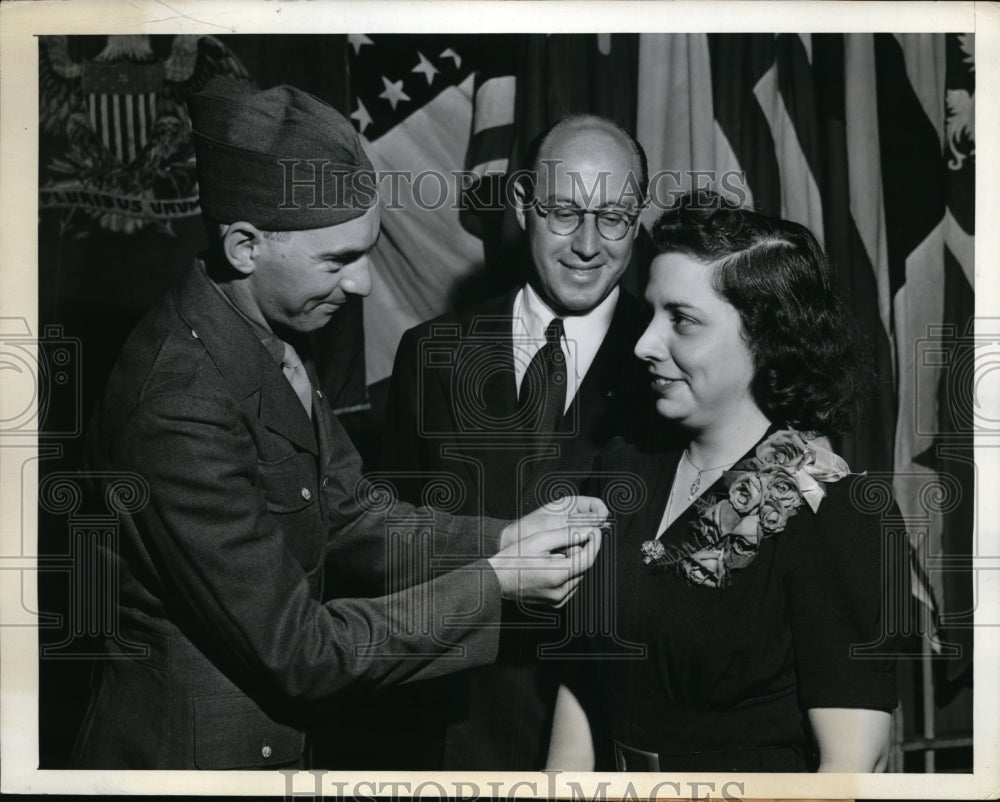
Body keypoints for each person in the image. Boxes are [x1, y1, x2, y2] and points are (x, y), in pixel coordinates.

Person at [69, 78, 606, 770]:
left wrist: (505, 536)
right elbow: (302, 650)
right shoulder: (177, 406)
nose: (363, 287)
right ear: (243, 246)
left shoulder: (270, 326)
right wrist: (497, 580)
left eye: (367, 253)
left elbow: (350, 515)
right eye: (339, 260)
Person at [546, 193, 906, 773]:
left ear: (768, 340)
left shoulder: (836, 513)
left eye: (682, 321)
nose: (643, 344)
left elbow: (848, 769)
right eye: (652, 313)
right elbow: (583, 677)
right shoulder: (621, 469)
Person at [366, 115, 655, 770]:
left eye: (613, 217)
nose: (587, 244)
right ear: (523, 205)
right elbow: (378, 546)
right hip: (450, 733)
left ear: (637, 219)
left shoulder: (669, 362)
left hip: (605, 735)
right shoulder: (432, 353)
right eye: (563, 212)